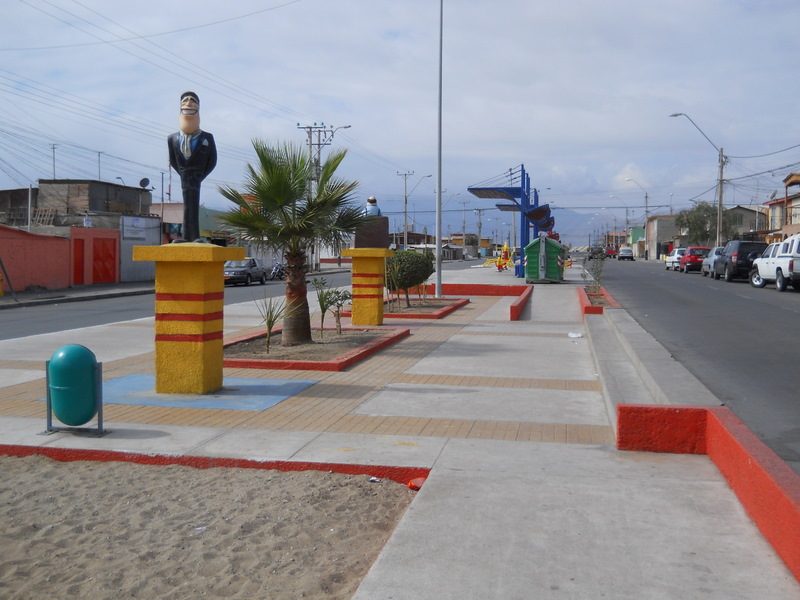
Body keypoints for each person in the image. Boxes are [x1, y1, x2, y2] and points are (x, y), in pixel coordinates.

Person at [167, 91, 217, 242]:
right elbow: (173, 160)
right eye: (185, 100)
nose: (188, 103)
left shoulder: (207, 137)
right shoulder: (172, 138)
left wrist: (200, 175)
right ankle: (186, 236)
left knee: (193, 205)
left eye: (193, 100)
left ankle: (194, 236)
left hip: (197, 176)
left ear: (198, 107)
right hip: (185, 176)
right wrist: (183, 173)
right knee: (187, 205)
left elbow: (212, 161)